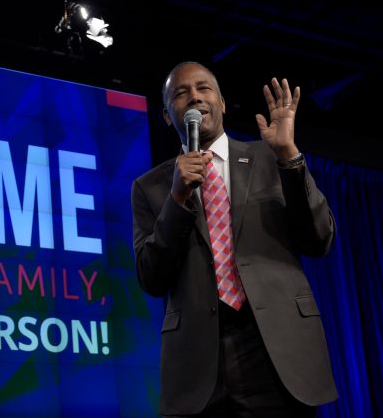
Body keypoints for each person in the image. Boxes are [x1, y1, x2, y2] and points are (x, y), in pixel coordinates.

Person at [131, 61, 337, 416]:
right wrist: (177, 199)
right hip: (200, 365)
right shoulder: (150, 187)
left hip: (277, 351)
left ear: (222, 103)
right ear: (167, 116)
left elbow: (319, 238)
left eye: (203, 88)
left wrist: (289, 156)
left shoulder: (270, 157)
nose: (194, 97)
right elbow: (151, 276)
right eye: (180, 94)